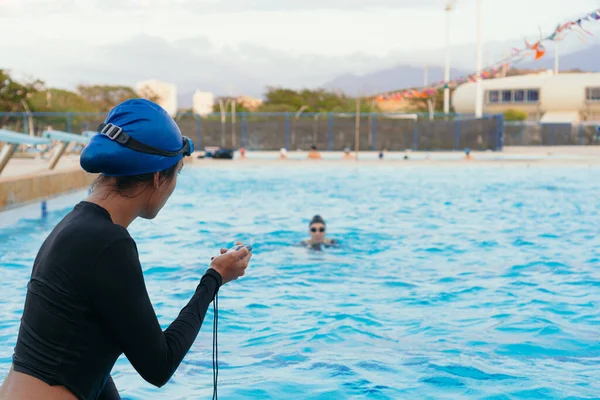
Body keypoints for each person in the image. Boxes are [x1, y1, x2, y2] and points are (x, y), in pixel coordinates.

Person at [0, 99, 252, 400]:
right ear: (159, 178)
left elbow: (87, 362)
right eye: (177, 174)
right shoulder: (110, 244)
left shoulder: (73, 226)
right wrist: (214, 277)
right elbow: (159, 365)